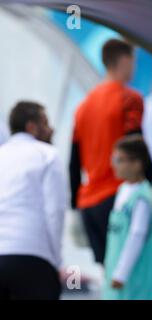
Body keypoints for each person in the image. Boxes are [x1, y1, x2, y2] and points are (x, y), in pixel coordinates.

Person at [70, 38, 146, 265]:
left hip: (89, 205)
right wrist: (151, 184)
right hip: (118, 198)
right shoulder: (129, 99)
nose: (134, 66)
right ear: (124, 60)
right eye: (133, 60)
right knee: (132, 270)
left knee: (110, 273)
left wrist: (75, 205)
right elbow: (135, 147)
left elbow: (73, 161)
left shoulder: (83, 106)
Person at [0, 101, 66, 300]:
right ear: (31, 127)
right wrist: (56, 260)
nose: (50, 129)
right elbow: (55, 212)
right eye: (45, 123)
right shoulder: (47, 154)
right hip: (33, 258)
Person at [103, 135, 152, 300]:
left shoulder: (142, 197)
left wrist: (121, 273)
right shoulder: (122, 190)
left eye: (119, 160)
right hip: (114, 271)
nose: (114, 165)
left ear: (137, 163)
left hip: (133, 277)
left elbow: (137, 236)